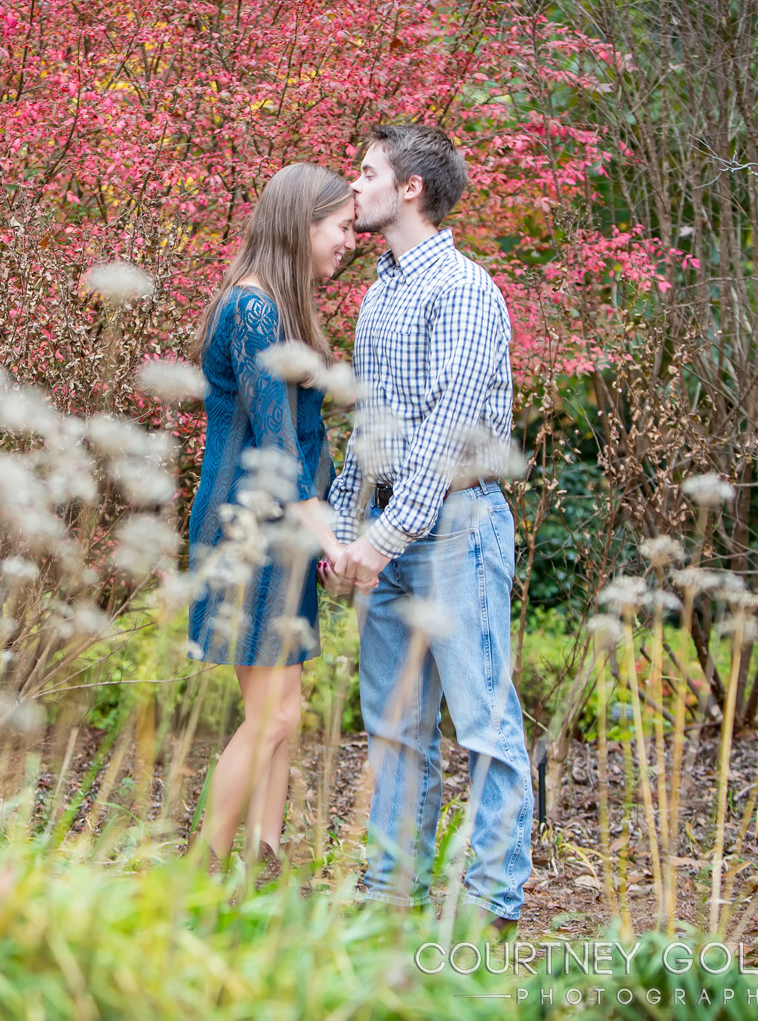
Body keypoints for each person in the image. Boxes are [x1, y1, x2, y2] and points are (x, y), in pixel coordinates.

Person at [327, 124, 534, 936]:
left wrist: (384, 538)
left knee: (483, 721)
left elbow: (449, 431)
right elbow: (368, 431)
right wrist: (347, 535)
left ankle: (488, 907)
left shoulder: (465, 290)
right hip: (390, 526)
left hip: (457, 525)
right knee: (393, 725)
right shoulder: (381, 291)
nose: (356, 183)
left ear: (410, 187)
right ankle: (391, 896)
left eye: (368, 170)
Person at [187, 162, 355, 878]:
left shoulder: (278, 312)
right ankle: (198, 871)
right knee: (275, 716)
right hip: (248, 529)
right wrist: (336, 542)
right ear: (302, 224)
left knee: (285, 707)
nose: (351, 240)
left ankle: (265, 866)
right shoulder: (252, 311)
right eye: (342, 226)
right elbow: (279, 450)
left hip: (277, 529)